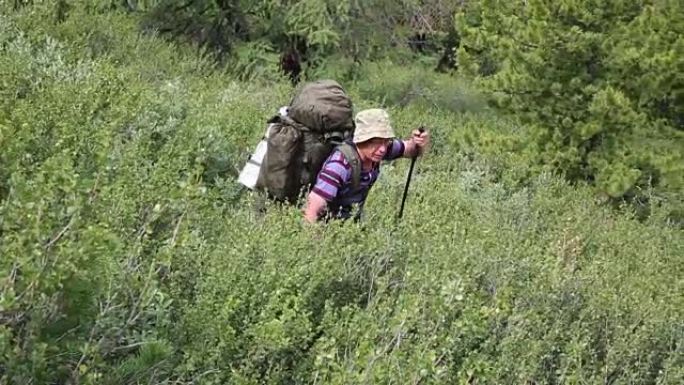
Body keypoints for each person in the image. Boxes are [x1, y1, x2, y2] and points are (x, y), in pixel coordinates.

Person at [303, 108, 430, 223]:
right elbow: (312, 209)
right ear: (361, 139)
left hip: (351, 224)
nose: (382, 149)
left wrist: (418, 142)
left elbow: (410, 150)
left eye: (386, 142)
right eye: (376, 142)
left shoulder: (378, 150)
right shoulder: (339, 164)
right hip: (328, 226)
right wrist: (315, 244)